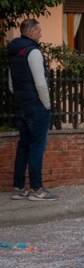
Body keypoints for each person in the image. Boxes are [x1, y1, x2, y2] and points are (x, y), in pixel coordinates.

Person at [7, 19, 57, 200]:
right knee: (37, 147)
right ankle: (37, 189)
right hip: (36, 106)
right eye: (39, 30)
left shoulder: (14, 52)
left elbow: (11, 83)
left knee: (24, 146)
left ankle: (19, 188)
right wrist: (47, 105)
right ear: (31, 31)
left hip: (22, 105)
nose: (41, 34)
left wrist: (21, 99)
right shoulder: (33, 52)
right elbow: (40, 83)